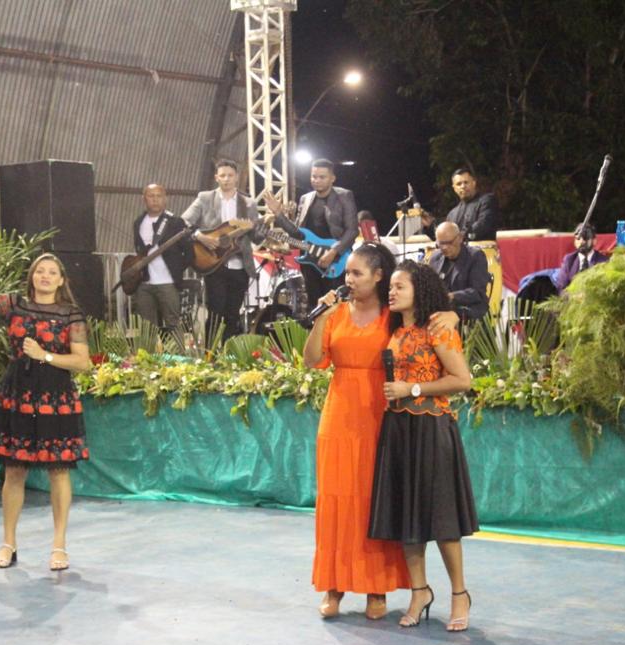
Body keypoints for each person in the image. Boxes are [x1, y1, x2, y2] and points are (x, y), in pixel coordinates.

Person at [303, 243, 457, 620]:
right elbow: (312, 360)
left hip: (382, 415)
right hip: (339, 416)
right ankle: (334, 586)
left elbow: (432, 314)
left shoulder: (393, 315)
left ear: (377, 276)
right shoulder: (336, 312)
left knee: (375, 501)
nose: (349, 279)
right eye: (347, 273)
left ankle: (377, 587)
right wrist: (320, 317)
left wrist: (453, 314)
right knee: (336, 501)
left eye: (357, 273)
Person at [0, 215, 93, 572]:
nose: (45, 276)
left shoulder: (71, 315)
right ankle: (8, 543)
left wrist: (45, 356)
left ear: (62, 280)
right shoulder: (14, 305)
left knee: (59, 471)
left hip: (56, 399)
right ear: (32, 276)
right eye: (40, 271)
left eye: (52, 272)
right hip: (17, 396)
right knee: (14, 471)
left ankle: (59, 545)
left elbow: (83, 362)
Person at [368, 261, 478, 632]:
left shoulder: (438, 328)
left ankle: (459, 594)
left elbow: (462, 380)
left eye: (400, 286)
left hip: (431, 427)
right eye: (391, 286)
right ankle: (420, 591)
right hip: (399, 429)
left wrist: (412, 388)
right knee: (407, 519)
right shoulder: (395, 330)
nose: (392, 292)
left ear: (420, 290)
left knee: (443, 519)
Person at [181, 159, 261, 342]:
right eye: (223, 175)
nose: (226, 179)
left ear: (237, 177)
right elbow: (184, 221)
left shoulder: (248, 203)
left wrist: (261, 230)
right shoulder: (205, 198)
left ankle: (229, 351)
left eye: (230, 175)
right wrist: (200, 236)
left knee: (233, 313)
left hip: (240, 266)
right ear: (216, 177)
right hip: (214, 264)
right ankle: (211, 352)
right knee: (215, 311)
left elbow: (256, 238)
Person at [265, 158, 359, 310]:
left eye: (322, 177)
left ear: (332, 178)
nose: (317, 180)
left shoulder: (344, 196)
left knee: (338, 306)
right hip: (310, 262)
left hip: (337, 261)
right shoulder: (305, 199)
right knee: (314, 306)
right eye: (314, 176)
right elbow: (297, 234)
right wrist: (278, 213)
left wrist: (333, 252)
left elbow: (352, 230)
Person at [131, 184, 192, 337]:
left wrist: (176, 270)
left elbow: (189, 252)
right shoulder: (138, 222)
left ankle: (178, 353)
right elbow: (138, 250)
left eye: (159, 196)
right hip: (144, 283)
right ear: (144, 199)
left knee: (173, 324)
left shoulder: (175, 222)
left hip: (168, 283)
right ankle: (148, 353)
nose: (155, 199)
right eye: (151, 196)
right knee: (146, 327)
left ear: (165, 199)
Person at [427, 221, 490, 321]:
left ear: (460, 238)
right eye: (441, 243)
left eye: (449, 242)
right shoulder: (435, 257)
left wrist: (452, 296)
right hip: (441, 313)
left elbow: (477, 292)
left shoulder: (475, 256)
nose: (445, 247)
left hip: (469, 313)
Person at [439, 168, 501, 242]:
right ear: (454, 188)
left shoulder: (487, 201)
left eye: (466, 182)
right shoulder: (452, 214)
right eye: (459, 184)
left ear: (474, 183)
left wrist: (458, 237)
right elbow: (445, 236)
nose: (463, 186)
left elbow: (483, 226)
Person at [554, 222, 609, 293]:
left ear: (594, 241)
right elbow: (561, 288)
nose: (581, 241)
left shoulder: (603, 262)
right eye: (578, 238)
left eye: (585, 238)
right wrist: (574, 296)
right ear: (574, 241)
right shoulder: (569, 260)